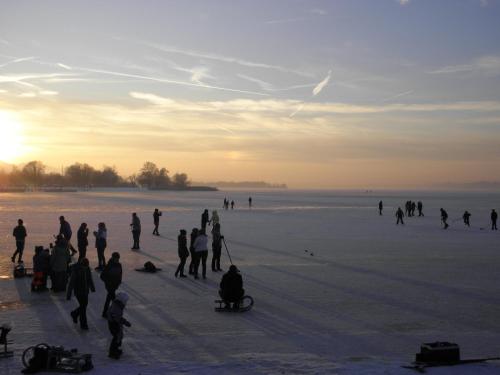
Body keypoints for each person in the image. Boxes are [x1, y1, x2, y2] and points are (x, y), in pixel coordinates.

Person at [67, 257, 95, 330]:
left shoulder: (87, 269)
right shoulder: (76, 270)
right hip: (78, 291)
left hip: (85, 291)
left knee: (84, 306)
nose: (85, 268)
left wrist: (92, 287)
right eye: (84, 266)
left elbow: (89, 278)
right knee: (83, 307)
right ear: (81, 265)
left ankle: (75, 314)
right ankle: (83, 325)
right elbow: (71, 283)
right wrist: (68, 294)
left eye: (86, 266)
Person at [107, 292, 131, 359]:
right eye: (125, 301)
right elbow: (117, 318)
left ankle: (116, 349)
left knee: (118, 337)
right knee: (116, 338)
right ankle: (112, 352)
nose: (125, 302)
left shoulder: (117, 305)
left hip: (114, 323)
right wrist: (125, 322)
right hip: (113, 324)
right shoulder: (116, 307)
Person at [100, 252, 122, 318]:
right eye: (116, 258)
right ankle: (109, 313)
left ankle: (106, 313)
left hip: (114, 286)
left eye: (118, 258)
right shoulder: (109, 265)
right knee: (112, 300)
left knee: (110, 299)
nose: (117, 260)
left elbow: (120, 275)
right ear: (113, 258)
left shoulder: (119, 265)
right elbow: (102, 276)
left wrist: (118, 283)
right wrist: (108, 282)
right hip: (109, 286)